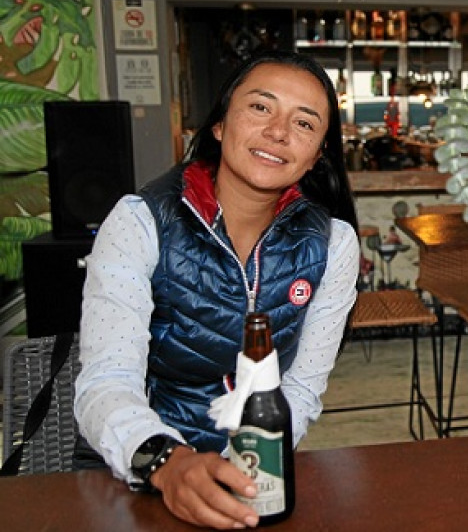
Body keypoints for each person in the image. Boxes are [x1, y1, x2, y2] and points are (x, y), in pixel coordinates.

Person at [74, 50, 360, 529]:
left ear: (317, 156)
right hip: (138, 473)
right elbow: (106, 382)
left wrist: (245, 469)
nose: (278, 132)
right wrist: (168, 463)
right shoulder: (140, 222)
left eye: (305, 124)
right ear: (220, 125)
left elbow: (301, 387)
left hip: (256, 482)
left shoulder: (334, 244)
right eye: (260, 107)